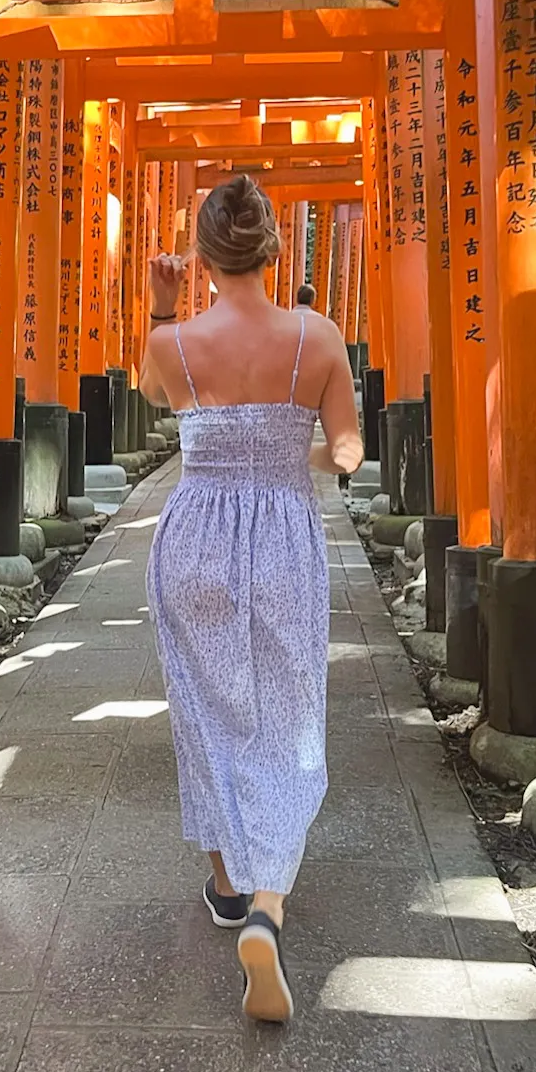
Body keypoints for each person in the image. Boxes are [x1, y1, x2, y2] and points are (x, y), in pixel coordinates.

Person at [138, 174, 364, 1023]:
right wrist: (284, 460)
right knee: (289, 719)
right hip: (281, 545)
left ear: (200, 258)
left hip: (191, 537)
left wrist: (164, 307)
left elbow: (152, 394)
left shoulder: (178, 343)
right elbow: (345, 453)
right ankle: (267, 907)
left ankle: (228, 889)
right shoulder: (318, 336)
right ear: (273, 248)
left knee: (204, 711)